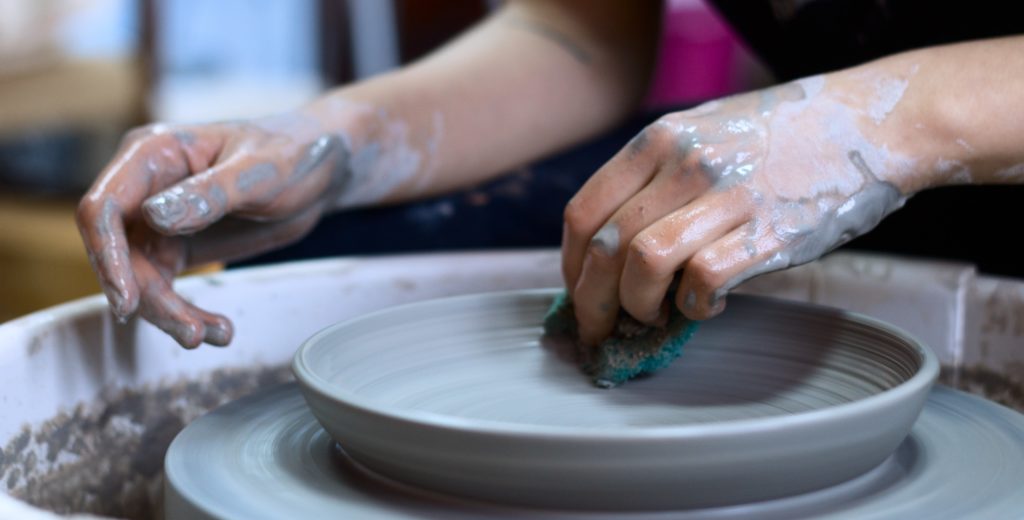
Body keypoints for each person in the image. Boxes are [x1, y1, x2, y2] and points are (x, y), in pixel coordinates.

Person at [77, 0, 1024, 349]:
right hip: (826, 178)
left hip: (943, 158)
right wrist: (335, 144)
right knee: (344, 253)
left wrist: (880, 126)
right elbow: (577, 30)